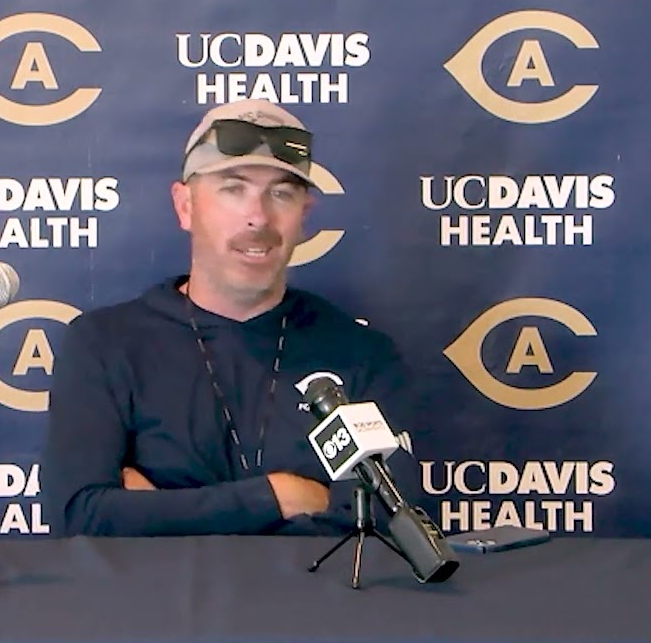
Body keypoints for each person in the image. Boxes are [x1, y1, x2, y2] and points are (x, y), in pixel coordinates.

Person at [40, 99, 426, 537]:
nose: (258, 217)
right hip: (149, 605)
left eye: (281, 193)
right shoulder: (103, 344)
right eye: (232, 188)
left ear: (305, 217)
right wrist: (282, 496)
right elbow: (78, 518)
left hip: (317, 604)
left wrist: (160, 513)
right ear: (185, 206)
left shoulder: (361, 353)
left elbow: (397, 521)